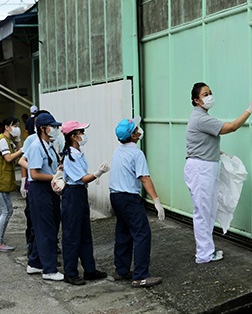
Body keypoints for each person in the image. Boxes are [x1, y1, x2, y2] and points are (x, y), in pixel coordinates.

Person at [184, 82, 252, 264]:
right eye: (205, 94)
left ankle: (208, 250)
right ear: (196, 100)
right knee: (203, 212)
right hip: (201, 170)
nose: (209, 96)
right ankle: (203, 254)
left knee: (208, 211)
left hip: (205, 167)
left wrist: (217, 153)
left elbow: (200, 142)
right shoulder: (201, 118)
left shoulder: (201, 116)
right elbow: (231, 127)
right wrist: (251, 108)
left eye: (210, 92)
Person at [109, 116, 165, 288]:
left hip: (115, 196)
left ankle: (122, 270)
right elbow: (144, 178)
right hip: (129, 198)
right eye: (136, 130)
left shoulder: (118, 150)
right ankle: (140, 276)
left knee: (123, 231)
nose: (139, 130)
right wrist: (156, 201)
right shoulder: (136, 153)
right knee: (142, 234)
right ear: (133, 136)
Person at [59, 120, 109, 285]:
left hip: (80, 193)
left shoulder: (78, 153)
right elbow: (82, 178)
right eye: (81, 132)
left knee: (85, 233)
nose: (83, 135)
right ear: (74, 136)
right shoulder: (70, 156)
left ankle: (90, 269)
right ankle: (71, 272)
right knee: (72, 235)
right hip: (72, 194)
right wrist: (98, 173)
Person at [25, 113, 64, 281]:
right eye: (52, 127)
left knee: (52, 226)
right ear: (43, 128)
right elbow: (34, 174)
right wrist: (55, 177)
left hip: (50, 190)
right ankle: (49, 269)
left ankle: (34, 263)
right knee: (46, 230)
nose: (55, 130)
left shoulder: (49, 145)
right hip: (40, 190)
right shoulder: (35, 146)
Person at [0, 115, 24, 252]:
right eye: (14, 125)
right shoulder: (2, 141)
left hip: (1, 182)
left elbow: (18, 152)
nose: (17, 128)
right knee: (7, 211)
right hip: (0, 182)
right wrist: (22, 150)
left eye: (18, 126)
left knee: (0, 211)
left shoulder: (8, 140)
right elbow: (8, 158)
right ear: (6, 127)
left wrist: (18, 141)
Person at [18, 109, 51, 255]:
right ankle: (32, 247)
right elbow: (23, 160)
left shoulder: (54, 139)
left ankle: (48, 247)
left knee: (49, 220)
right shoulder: (32, 140)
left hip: (50, 184)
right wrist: (25, 180)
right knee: (32, 219)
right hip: (35, 182)